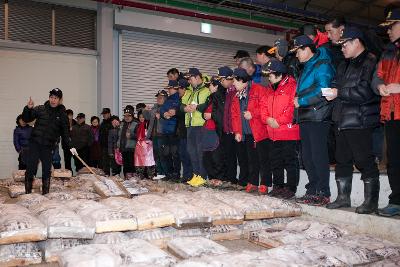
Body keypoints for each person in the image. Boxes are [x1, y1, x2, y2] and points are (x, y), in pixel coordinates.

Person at [324, 27, 380, 214]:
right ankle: (342, 198)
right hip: (341, 119)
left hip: (360, 120)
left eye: (345, 44)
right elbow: (336, 84)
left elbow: (365, 91)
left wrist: (339, 93)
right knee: (342, 160)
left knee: (364, 160)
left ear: (357, 41)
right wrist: (332, 90)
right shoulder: (344, 64)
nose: (342, 48)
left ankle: (371, 201)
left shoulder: (370, 62)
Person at [291, 35, 335, 206]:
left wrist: (301, 101)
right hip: (305, 116)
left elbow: (324, 91)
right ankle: (312, 189)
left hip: (318, 115)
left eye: (298, 51)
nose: (296, 55)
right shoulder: (307, 67)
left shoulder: (322, 65)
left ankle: (323, 192)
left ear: (307, 49)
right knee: (308, 156)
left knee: (318, 155)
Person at [373, 8, 400, 217]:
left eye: (392, 26)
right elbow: (377, 76)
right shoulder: (389, 52)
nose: (388, 31)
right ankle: (396, 200)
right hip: (391, 113)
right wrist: (379, 86)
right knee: (394, 159)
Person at [260, 60, 300, 199]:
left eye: (270, 74)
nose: (268, 77)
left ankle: (290, 188)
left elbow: (292, 108)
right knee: (275, 160)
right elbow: (263, 108)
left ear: (279, 74)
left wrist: (279, 121)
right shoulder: (269, 89)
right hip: (272, 132)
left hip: (288, 132)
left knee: (289, 161)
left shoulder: (292, 86)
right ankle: (278, 186)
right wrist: (267, 119)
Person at [22, 88, 72, 195]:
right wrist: (28, 108)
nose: (53, 100)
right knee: (31, 168)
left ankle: (45, 194)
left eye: (56, 98)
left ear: (60, 100)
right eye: (51, 97)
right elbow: (26, 119)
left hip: (48, 146)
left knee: (46, 170)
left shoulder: (62, 115)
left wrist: (70, 146)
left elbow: (65, 133)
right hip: (35, 143)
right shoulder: (41, 109)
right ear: (49, 97)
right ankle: (27, 193)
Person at [231, 68, 271, 194]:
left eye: (235, 81)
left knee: (263, 159)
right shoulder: (236, 96)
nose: (233, 84)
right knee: (251, 159)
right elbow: (235, 115)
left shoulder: (259, 90)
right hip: (247, 133)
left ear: (242, 80)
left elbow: (266, 108)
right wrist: (237, 131)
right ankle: (253, 182)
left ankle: (265, 183)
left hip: (259, 131)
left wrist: (253, 114)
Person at [202, 68, 233, 183]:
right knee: (207, 156)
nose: (209, 87)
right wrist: (205, 115)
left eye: (210, 85)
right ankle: (213, 178)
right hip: (208, 130)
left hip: (217, 130)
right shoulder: (211, 96)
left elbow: (221, 113)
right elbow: (205, 111)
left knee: (217, 156)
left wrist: (211, 116)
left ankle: (220, 178)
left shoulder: (220, 94)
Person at [183, 68, 211, 186]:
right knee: (192, 151)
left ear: (198, 77)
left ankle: (202, 176)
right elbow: (182, 104)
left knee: (200, 152)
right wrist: (184, 108)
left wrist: (198, 107)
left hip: (201, 125)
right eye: (188, 79)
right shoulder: (189, 91)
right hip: (190, 125)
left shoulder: (207, 89)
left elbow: (210, 104)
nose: (189, 81)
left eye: (190, 78)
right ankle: (196, 174)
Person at [143, 90, 168, 180]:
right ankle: (159, 172)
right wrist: (145, 111)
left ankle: (165, 173)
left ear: (165, 98)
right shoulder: (154, 108)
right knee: (156, 155)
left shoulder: (167, 108)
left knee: (163, 155)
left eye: (160, 98)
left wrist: (160, 117)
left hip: (162, 135)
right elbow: (146, 117)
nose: (158, 99)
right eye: (157, 97)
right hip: (154, 136)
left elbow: (169, 122)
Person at [160, 80, 181, 181]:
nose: (169, 90)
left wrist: (173, 112)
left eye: (170, 88)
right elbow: (162, 109)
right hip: (166, 130)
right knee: (166, 152)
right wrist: (164, 114)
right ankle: (169, 173)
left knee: (175, 153)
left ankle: (176, 174)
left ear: (175, 88)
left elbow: (178, 110)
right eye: (168, 88)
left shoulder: (179, 97)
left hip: (174, 130)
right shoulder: (168, 99)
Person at [177, 78, 193, 182]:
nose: (178, 90)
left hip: (189, 130)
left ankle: (190, 176)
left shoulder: (188, 99)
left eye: (179, 88)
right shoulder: (180, 99)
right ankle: (186, 175)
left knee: (189, 155)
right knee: (183, 155)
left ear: (184, 89)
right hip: (182, 132)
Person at [134, 111, 156, 179]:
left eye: (143, 117)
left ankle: (150, 175)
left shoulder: (149, 124)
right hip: (139, 146)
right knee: (139, 161)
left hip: (147, 146)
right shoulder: (138, 125)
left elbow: (151, 135)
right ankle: (141, 175)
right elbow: (135, 135)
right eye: (140, 117)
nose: (141, 118)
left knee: (148, 161)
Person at [118, 106, 138, 179]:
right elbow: (119, 136)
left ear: (132, 116)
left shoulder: (136, 124)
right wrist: (118, 145)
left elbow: (139, 136)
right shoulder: (122, 124)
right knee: (125, 164)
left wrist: (131, 136)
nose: (127, 117)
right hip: (123, 148)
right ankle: (126, 179)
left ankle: (132, 179)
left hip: (131, 148)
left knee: (131, 164)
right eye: (125, 116)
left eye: (129, 116)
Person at [99, 108, 112, 175]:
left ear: (109, 113)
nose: (104, 115)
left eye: (105, 114)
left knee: (112, 164)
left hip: (111, 146)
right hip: (103, 146)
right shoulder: (102, 123)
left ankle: (114, 178)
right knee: (104, 163)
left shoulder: (112, 122)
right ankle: (106, 176)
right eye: (103, 114)